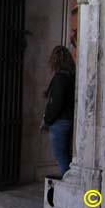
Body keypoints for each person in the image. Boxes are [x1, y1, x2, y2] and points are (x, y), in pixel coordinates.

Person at [42, 45, 76, 178]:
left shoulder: (61, 78)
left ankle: (66, 186)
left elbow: (56, 103)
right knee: (64, 156)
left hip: (59, 123)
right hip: (67, 120)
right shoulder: (70, 77)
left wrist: (47, 119)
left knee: (61, 158)